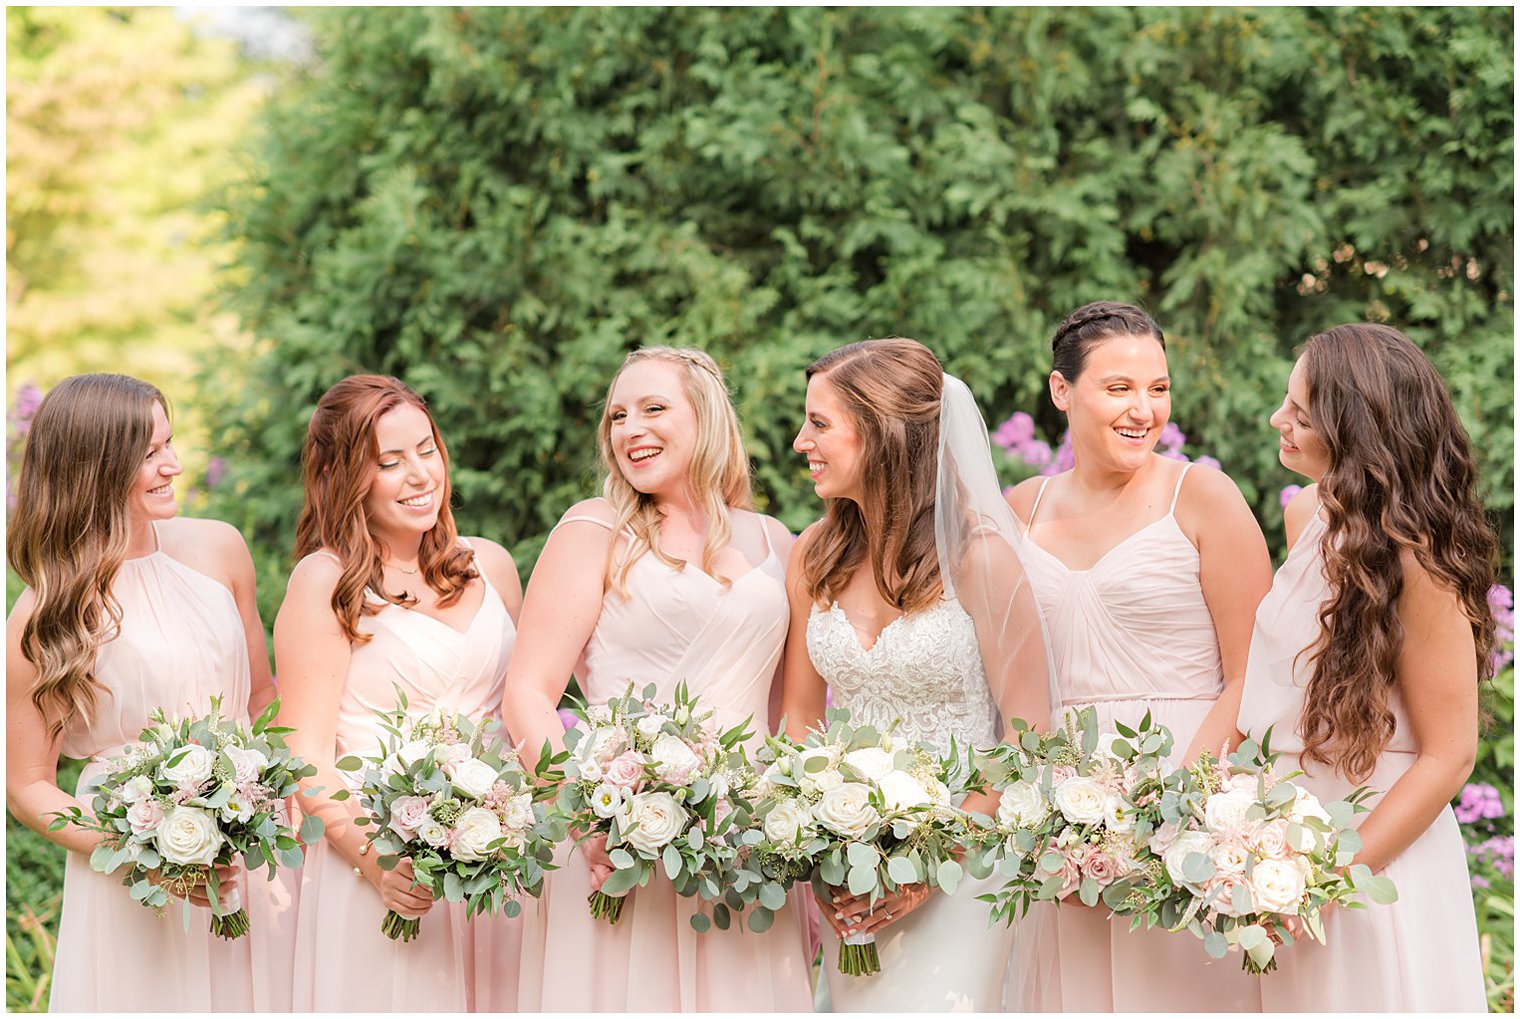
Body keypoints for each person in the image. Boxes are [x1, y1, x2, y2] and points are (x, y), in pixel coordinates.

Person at [503, 346, 813, 1011]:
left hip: (746, 850)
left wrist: (790, 825)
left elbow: (791, 716)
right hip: (619, 842)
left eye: (653, 408)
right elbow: (527, 691)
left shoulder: (779, 544)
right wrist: (586, 813)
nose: (629, 429)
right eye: (616, 416)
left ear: (706, 416)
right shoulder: (594, 531)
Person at [1002, 302, 1270, 1011]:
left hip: (1192, 796)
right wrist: (1043, 812)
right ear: (1062, 391)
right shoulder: (1018, 509)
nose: (1143, 409)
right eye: (1119, 387)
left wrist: (1173, 808)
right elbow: (1010, 686)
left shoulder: (1202, 495)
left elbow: (1253, 672)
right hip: (1063, 818)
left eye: (1158, 388)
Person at [1224, 323, 1493, 1010]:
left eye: (1301, 414)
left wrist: (1324, 881)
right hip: (1280, 849)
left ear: (1358, 435)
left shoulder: (1420, 558)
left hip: (1374, 860)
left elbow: (1450, 754)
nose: (1277, 420)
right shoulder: (1303, 513)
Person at [782, 337, 1054, 1011]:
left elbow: (1029, 734)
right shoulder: (813, 555)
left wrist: (931, 863)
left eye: (819, 423)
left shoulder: (981, 561)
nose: (798, 441)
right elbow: (799, 718)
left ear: (879, 432)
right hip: (850, 866)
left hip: (965, 862)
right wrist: (817, 836)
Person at [5, 373, 290, 1011]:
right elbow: (27, 785)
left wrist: (265, 807)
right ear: (95, 468)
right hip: (131, 882)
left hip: (244, 856)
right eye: (150, 454)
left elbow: (263, 700)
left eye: (171, 443)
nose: (175, 465)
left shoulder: (220, 548)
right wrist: (142, 853)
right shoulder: (43, 614)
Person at [276, 374, 523, 1011]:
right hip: (381, 868)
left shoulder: (490, 564)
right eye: (390, 461)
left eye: (426, 449)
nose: (420, 475)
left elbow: (522, 716)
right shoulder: (326, 582)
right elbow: (303, 753)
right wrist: (379, 864)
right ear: (344, 476)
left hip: (499, 864)